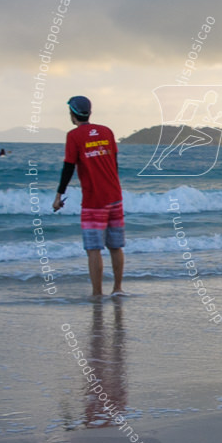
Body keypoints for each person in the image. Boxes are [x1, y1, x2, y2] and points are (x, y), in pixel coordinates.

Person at [52, 96, 126, 297]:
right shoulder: (107, 131)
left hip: (94, 201)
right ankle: (118, 289)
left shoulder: (74, 136)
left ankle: (97, 294)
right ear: (89, 112)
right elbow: (114, 162)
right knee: (115, 246)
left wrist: (59, 196)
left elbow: (68, 167)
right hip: (115, 196)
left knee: (94, 250)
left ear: (72, 114)